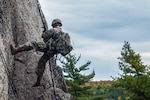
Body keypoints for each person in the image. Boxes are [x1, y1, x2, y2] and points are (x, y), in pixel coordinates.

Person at [10, 18, 71, 87]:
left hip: (48, 48)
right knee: (42, 62)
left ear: (54, 24)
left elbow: (43, 36)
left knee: (32, 44)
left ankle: (15, 50)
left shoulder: (54, 30)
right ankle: (38, 81)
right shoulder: (64, 34)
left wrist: (45, 32)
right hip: (53, 52)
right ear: (60, 25)